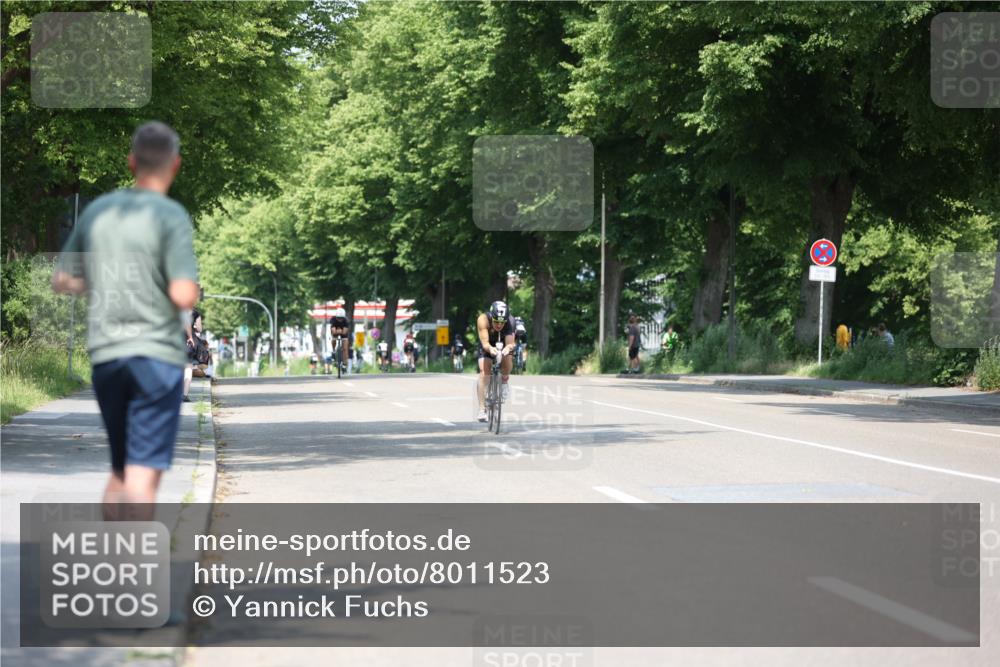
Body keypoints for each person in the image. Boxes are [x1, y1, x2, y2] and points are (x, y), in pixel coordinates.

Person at [52, 121, 199, 518]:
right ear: (176, 165)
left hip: (107, 357)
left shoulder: (100, 210)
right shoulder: (170, 216)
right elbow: (184, 293)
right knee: (142, 475)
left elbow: (63, 279)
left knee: (119, 470)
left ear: (131, 162)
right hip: (156, 358)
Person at [476, 300, 515, 422]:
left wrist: (507, 348)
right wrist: (490, 349)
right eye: (496, 321)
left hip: (503, 342)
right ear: (491, 317)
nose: (499, 325)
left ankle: (504, 381)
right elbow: (485, 343)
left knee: (507, 358)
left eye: (501, 322)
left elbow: (510, 344)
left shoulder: (510, 322)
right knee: (484, 372)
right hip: (487, 343)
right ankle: (482, 410)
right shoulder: (483, 319)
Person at [328, 306, 350, 373]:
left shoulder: (346, 321)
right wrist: (339, 331)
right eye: (338, 318)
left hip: (344, 334)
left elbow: (344, 332)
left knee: (345, 348)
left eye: (341, 318)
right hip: (335, 332)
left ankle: (344, 364)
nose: (340, 320)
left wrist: (339, 331)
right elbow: (333, 331)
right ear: (336, 316)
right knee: (334, 339)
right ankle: (334, 351)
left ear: (343, 317)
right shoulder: (333, 319)